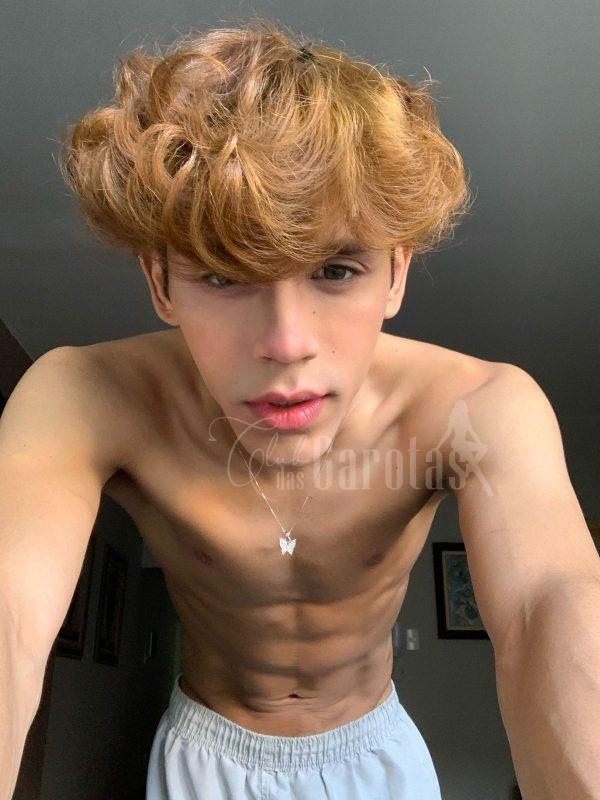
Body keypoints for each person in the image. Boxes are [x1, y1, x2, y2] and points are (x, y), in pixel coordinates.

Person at [2, 17, 599, 800]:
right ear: (160, 283)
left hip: (374, 748)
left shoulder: (481, 404)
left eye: (336, 269)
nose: (286, 343)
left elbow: (546, 600)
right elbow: (9, 606)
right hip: (203, 754)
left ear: (396, 275)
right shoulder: (82, 396)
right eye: (222, 276)